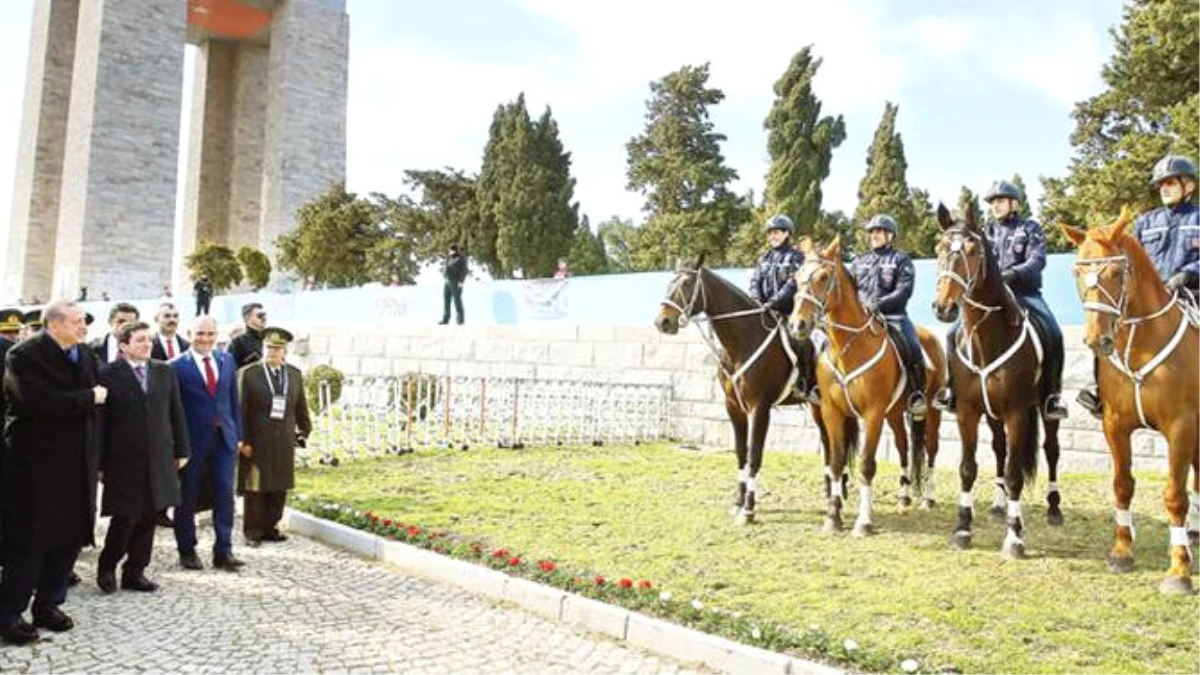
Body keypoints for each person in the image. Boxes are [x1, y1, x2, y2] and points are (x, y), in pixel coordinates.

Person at [0, 301, 104, 644]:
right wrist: (88, 397)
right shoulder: (24, 356)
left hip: (77, 465)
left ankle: (49, 604)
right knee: (29, 542)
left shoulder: (85, 355)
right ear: (54, 324)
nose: (83, 327)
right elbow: (37, 401)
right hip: (35, 466)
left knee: (69, 538)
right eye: (76, 322)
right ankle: (10, 613)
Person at [933, 180, 1069, 420]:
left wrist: (1014, 273)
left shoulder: (1030, 228)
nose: (995, 206)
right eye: (993, 202)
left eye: (1000, 201)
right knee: (952, 333)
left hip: (1025, 293)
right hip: (991, 299)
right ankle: (953, 390)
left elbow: (1037, 260)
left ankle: (1051, 396)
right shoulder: (984, 232)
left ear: (1013, 203)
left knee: (1053, 332)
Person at [1077, 154, 1200, 418]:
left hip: (1191, 291)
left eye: (1170, 182)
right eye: (1161, 184)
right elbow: (1130, 257)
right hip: (1150, 296)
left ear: (1188, 186)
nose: (1164, 188)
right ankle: (1097, 389)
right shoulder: (1146, 221)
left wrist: (1187, 274)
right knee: (1106, 328)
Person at [95, 322, 190, 594]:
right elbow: (101, 424)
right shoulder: (108, 375)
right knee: (125, 517)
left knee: (150, 515)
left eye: (148, 339)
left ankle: (135, 572)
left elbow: (176, 412)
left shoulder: (164, 371)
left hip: (160, 456)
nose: (146, 344)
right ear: (123, 346)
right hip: (123, 460)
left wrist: (182, 450)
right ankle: (107, 566)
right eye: (139, 340)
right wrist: (100, 463)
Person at [172, 316, 245, 572]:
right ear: (190, 334)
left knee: (225, 495)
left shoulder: (227, 361)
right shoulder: (177, 366)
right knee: (187, 496)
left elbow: (233, 401)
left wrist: (238, 435)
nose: (205, 339)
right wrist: (177, 447)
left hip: (224, 439)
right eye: (200, 334)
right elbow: (174, 410)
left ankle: (223, 550)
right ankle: (187, 550)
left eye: (210, 334)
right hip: (192, 442)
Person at [237, 328, 311, 546]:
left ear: (285, 351)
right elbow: (240, 410)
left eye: (277, 348)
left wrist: (304, 430)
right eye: (269, 347)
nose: (273, 352)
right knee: (256, 486)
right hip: (256, 439)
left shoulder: (294, 374)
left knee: (279, 484)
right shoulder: (249, 374)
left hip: (284, 439)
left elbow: (300, 407)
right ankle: (253, 530)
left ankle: (271, 526)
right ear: (263, 348)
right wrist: (242, 440)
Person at [849, 215, 928, 419]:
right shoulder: (859, 261)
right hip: (862, 320)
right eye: (872, 232)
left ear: (890, 235)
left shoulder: (901, 260)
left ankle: (916, 396)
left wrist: (878, 305)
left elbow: (904, 290)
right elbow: (849, 290)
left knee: (913, 346)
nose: (874, 235)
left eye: (879, 231)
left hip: (893, 316)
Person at [748, 213, 817, 402]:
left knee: (802, 341)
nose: (772, 237)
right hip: (763, 311)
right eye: (770, 233)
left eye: (776, 232)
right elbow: (755, 281)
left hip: (788, 313)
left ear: (787, 234)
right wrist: (757, 300)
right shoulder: (764, 259)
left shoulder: (796, 257)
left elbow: (792, 285)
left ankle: (806, 382)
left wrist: (773, 303)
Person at [228, 303, 266, 369]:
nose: (264, 318)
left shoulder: (268, 338)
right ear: (247, 318)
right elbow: (231, 370)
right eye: (260, 316)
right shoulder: (238, 342)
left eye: (264, 315)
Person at [439, 245, 467, 325]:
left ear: (455, 250)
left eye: (451, 250)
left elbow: (464, 270)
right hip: (447, 281)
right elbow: (446, 267)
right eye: (449, 250)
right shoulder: (448, 258)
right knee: (446, 301)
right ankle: (445, 319)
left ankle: (460, 320)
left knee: (457, 301)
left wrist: (461, 281)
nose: (449, 251)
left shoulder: (461, 258)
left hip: (456, 282)